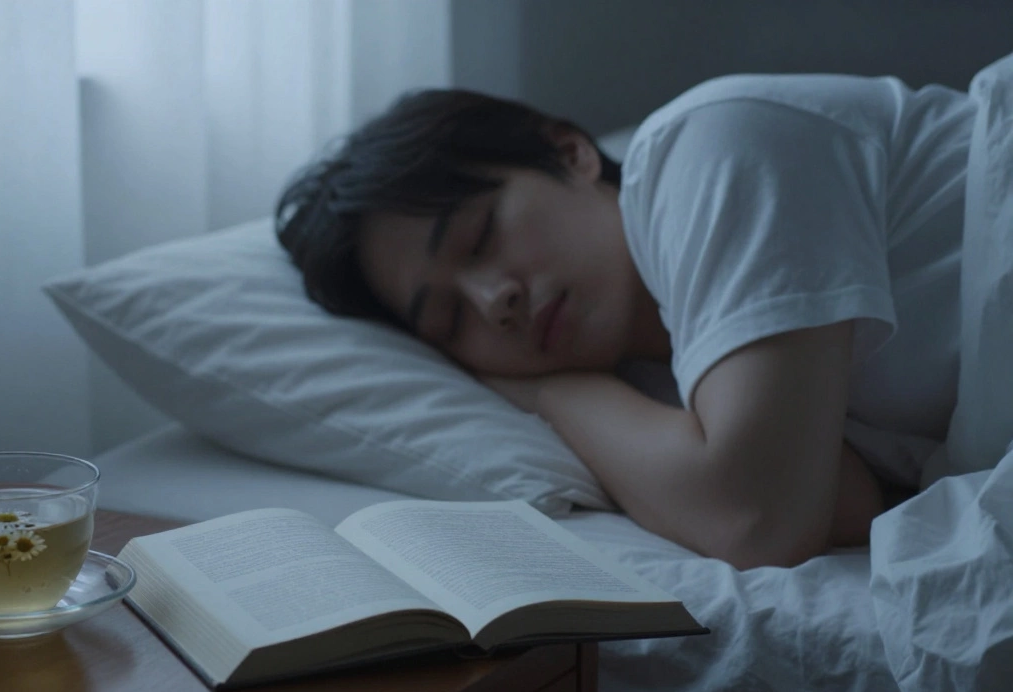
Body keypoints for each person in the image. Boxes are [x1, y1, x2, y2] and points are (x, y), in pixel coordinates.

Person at [274, 73, 974, 570]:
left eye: (481, 236)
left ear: (570, 153)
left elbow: (759, 520)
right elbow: (841, 503)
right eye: (451, 318)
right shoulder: (653, 379)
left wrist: (554, 393)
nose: (494, 302)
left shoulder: (710, 144)